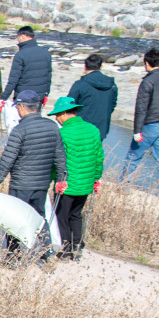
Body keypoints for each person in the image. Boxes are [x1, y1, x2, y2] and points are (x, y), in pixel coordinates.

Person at [0, 90, 67, 256]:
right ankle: (48, 252)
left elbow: (7, 160)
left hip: (21, 184)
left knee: (16, 219)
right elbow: (60, 156)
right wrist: (61, 179)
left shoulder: (19, 130)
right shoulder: (52, 126)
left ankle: (12, 257)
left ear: (22, 107)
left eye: (17, 106)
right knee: (39, 218)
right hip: (41, 184)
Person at [49, 96, 105, 260]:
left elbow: (57, 161)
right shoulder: (93, 129)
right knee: (76, 214)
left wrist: (52, 180)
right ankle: (76, 247)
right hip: (86, 183)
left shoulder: (62, 133)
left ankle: (64, 251)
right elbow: (99, 157)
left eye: (58, 115)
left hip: (67, 183)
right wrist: (96, 178)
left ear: (65, 113)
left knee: (61, 216)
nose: (57, 119)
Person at [125, 48, 159, 199]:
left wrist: (137, 131)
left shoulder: (147, 81)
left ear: (146, 63)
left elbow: (141, 108)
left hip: (150, 125)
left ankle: (124, 186)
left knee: (133, 156)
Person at [67, 54, 118, 141]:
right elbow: (112, 106)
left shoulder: (80, 84)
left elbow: (68, 105)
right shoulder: (111, 85)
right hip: (101, 128)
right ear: (101, 67)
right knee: (95, 153)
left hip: (81, 127)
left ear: (85, 66)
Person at [0, 26, 52, 105]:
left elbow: (13, 80)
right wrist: (46, 94)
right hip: (39, 96)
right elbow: (48, 76)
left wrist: (3, 97)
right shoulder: (46, 52)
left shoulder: (20, 55)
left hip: (24, 96)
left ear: (22, 36)